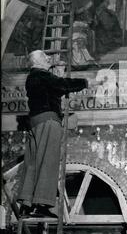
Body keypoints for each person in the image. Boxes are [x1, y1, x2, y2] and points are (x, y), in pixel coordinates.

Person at [17, 50, 89, 218]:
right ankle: (41, 204)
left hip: (34, 122)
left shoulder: (32, 78)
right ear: (39, 61)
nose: (49, 59)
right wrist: (84, 82)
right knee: (48, 161)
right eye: (46, 57)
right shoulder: (42, 75)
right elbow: (63, 85)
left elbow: (56, 87)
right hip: (49, 120)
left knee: (33, 162)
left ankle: (26, 203)